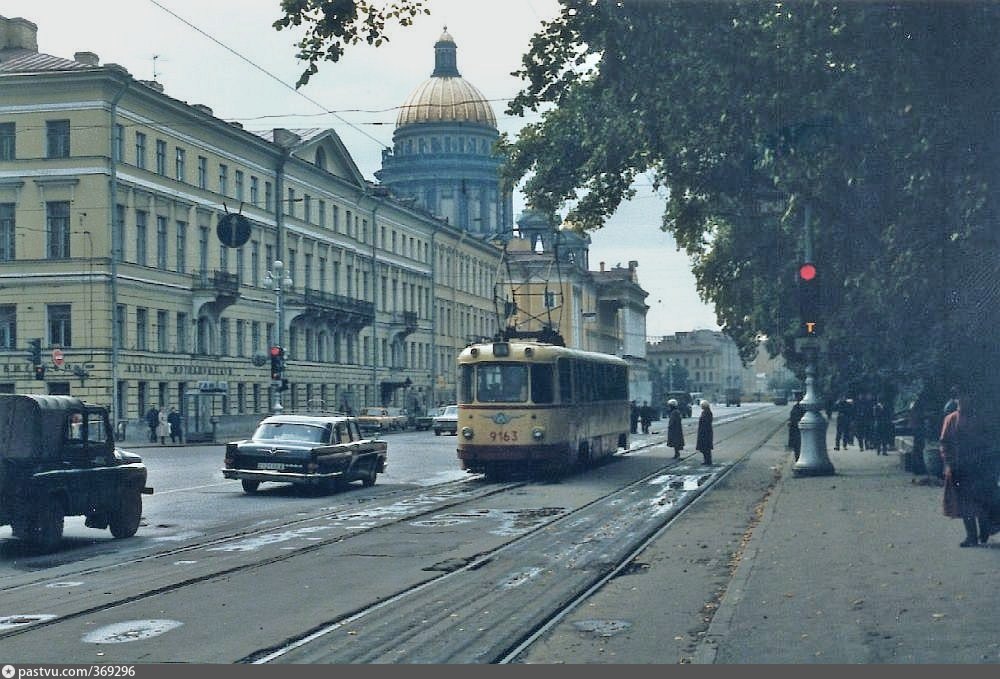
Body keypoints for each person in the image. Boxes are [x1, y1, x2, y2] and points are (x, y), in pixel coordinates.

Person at [939, 385, 995, 547]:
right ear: (956, 400)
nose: (963, 400)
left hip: (979, 466)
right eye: (960, 397)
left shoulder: (981, 418)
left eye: (966, 397)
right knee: (964, 503)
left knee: (981, 500)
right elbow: (944, 442)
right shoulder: (950, 419)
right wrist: (948, 462)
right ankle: (971, 536)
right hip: (959, 467)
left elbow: (990, 441)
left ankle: (984, 528)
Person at [696, 399, 714, 465]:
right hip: (704, 432)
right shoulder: (705, 412)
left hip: (705, 433)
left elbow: (706, 422)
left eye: (702, 405)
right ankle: (706, 460)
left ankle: (708, 461)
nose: (701, 406)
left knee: (706, 447)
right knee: (704, 448)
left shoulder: (707, 412)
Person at [788, 394, 805, 462]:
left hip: (798, 429)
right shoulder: (796, 407)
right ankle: (797, 460)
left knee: (798, 446)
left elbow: (794, 417)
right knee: (797, 447)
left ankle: (798, 460)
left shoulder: (799, 407)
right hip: (795, 429)